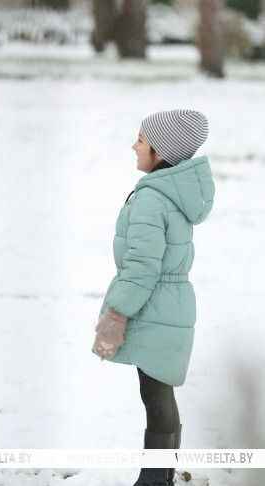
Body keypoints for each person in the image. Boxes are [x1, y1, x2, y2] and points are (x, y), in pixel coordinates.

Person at [93, 109, 214, 486]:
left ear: (160, 151)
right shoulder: (173, 194)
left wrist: (117, 314)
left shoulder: (152, 199)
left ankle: (154, 480)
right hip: (171, 304)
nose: (134, 146)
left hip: (153, 307)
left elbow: (142, 266)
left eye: (141, 140)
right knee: (161, 394)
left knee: (156, 395)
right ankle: (161, 477)